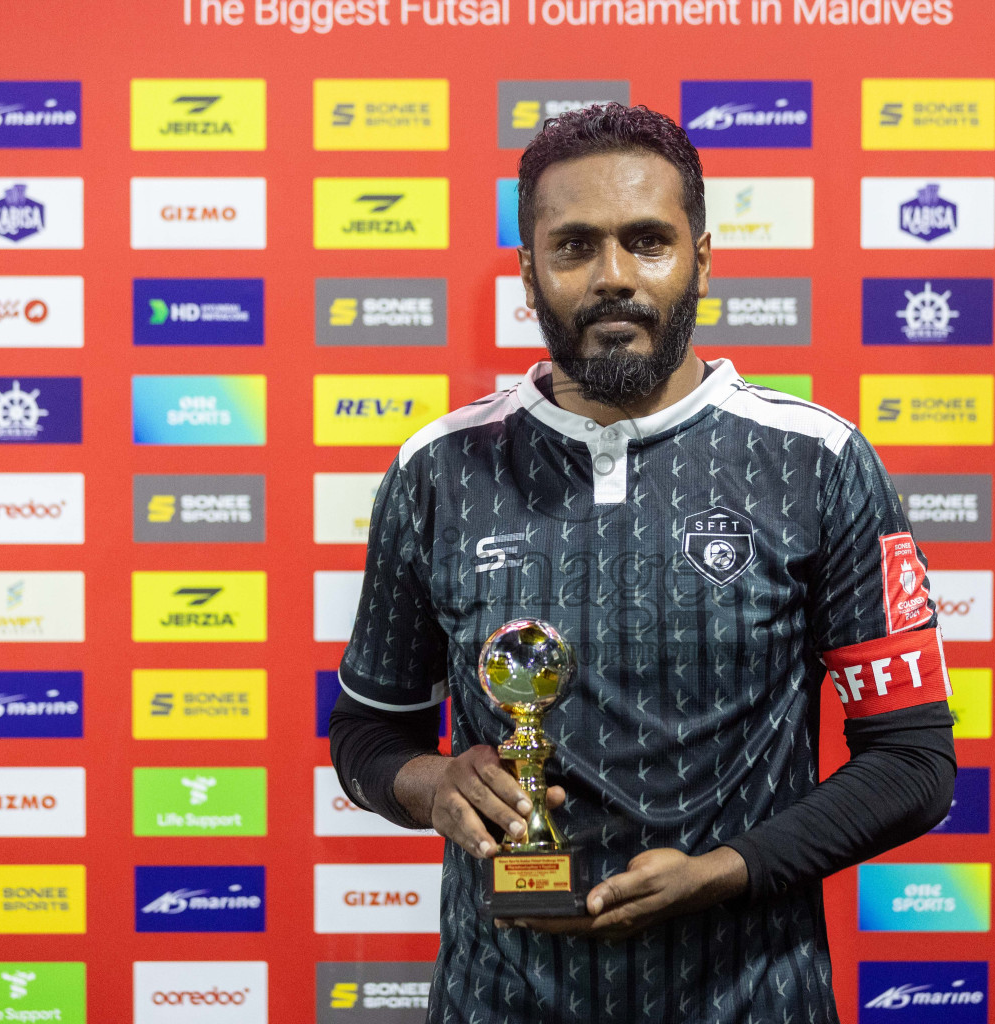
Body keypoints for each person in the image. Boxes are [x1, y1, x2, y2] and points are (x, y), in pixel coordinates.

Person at [329, 102, 955, 1024]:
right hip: (499, 1000)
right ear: (528, 270)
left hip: (753, 997)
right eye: (575, 246)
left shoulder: (815, 461)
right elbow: (367, 736)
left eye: (648, 242)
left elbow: (912, 762)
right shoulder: (440, 470)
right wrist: (434, 784)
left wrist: (723, 874)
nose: (614, 277)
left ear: (703, 255)